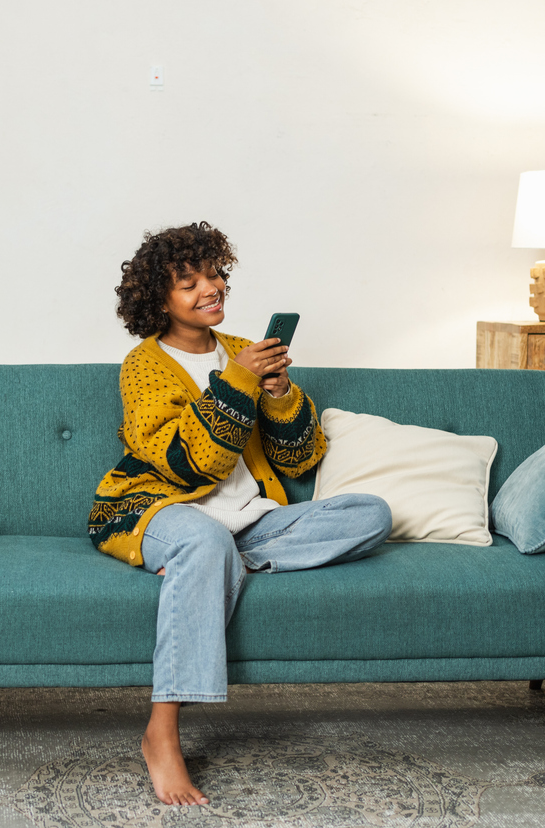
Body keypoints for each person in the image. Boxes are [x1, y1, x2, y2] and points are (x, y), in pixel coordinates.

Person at [87, 221, 392, 806]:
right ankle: (162, 731)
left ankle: (218, 562)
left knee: (371, 514)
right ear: (160, 300)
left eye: (215, 273)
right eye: (189, 282)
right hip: (159, 510)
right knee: (202, 539)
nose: (211, 288)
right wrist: (240, 381)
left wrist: (278, 393)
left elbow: (300, 459)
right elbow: (188, 465)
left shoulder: (242, 351)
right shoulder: (144, 365)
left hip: (249, 520)